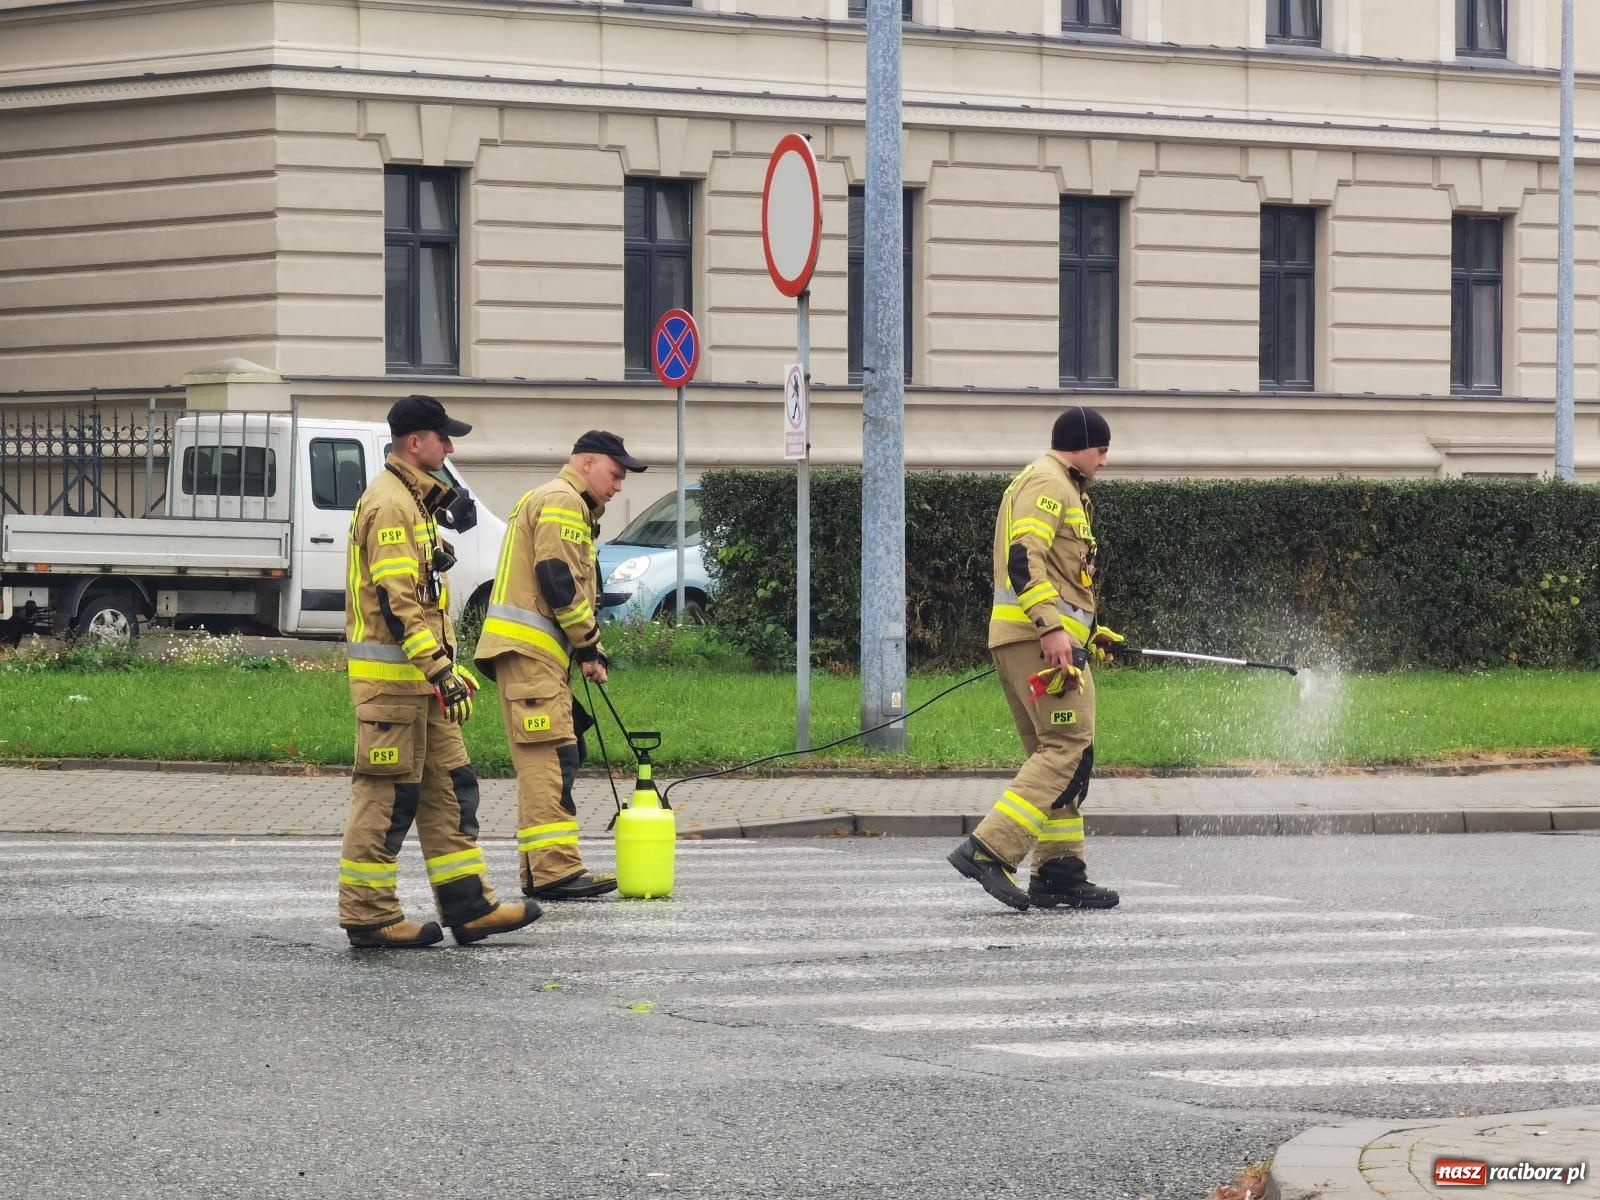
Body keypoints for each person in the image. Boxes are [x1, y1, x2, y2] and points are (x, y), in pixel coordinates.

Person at [337, 395, 542, 948]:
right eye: (443, 438)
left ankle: (469, 908)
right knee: (387, 800)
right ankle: (370, 915)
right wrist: (439, 668)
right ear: (415, 442)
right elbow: (397, 600)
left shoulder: (414, 500)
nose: (449, 447)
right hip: (394, 690)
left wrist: (444, 672)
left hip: (422, 689)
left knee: (452, 791)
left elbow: (421, 601)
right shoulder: (392, 505)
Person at [947, 405, 1124, 912]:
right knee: (1068, 744)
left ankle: (1059, 872)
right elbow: (1025, 559)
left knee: (1057, 756)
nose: (1105, 462)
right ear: (1082, 444)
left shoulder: (1055, 483)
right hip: (1037, 639)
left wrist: (1089, 633)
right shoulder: (1049, 484)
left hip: (1037, 638)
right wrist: (1051, 628)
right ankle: (990, 849)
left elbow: (1063, 579)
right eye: (1102, 450)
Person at [474, 430, 648, 900]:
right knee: (551, 759)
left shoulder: (552, 498)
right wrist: (589, 645)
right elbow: (558, 580)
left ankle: (541, 871)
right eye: (615, 474)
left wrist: (584, 650)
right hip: (532, 656)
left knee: (550, 756)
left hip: (533, 657)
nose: (618, 486)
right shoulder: (563, 501)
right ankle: (555, 871)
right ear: (588, 463)